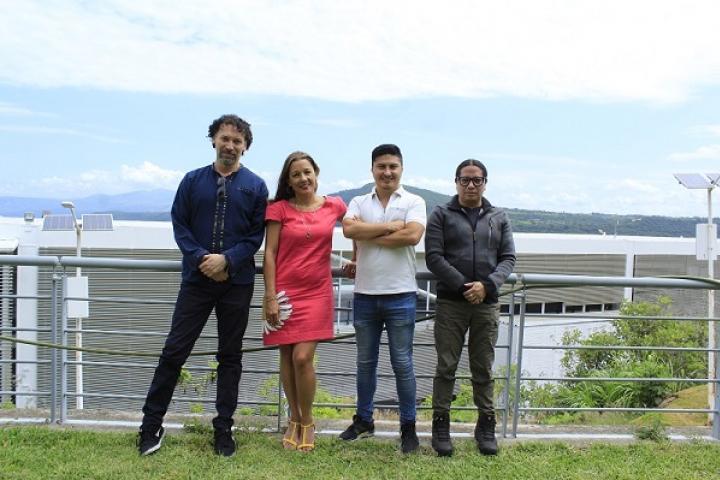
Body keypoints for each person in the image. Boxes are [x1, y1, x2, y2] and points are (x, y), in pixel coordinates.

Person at [137, 114, 268, 457]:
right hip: (196, 280)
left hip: (236, 282)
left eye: (237, 141)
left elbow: (256, 235)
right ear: (214, 140)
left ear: (245, 147)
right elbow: (180, 224)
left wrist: (227, 260)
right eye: (225, 138)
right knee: (174, 351)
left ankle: (224, 428)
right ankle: (150, 425)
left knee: (230, 356)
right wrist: (201, 259)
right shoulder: (193, 181)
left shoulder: (256, 186)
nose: (230, 145)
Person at [424, 159, 516, 457]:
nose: (471, 185)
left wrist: (486, 285)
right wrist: (466, 286)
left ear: (485, 183)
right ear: (456, 182)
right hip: (452, 303)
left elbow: (508, 258)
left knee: (483, 368)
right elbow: (434, 257)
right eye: (465, 180)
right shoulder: (440, 214)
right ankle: (441, 426)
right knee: (446, 366)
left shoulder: (498, 217)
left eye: (477, 180)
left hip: (486, 304)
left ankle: (486, 425)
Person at [339, 144, 426, 454]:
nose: (387, 172)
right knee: (365, 364)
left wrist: (368, 233)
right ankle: (364, 420)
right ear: (372, 169)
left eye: (393, 166)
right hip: (365, 294)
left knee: (403, 363)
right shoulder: (359, 201)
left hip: (401, 294)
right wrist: (388, 227)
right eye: (381, 166)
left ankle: (408, 427)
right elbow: (349, 230)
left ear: (401, 169)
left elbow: (412, 236)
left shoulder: (414, 201)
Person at [262, 151, 347, 452]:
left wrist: (356, 260)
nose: (303, 178)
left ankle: (308, 420)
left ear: (316, 172)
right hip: (284, 293)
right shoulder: (278, 209)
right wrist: (269, 297)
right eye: (296, 174)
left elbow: (357, 229)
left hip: (318, 292)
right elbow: (269, 254)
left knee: (302, 357)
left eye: (307, 172)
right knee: (286, 356)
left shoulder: (334, 205)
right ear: (288, 180)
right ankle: (294, 419)